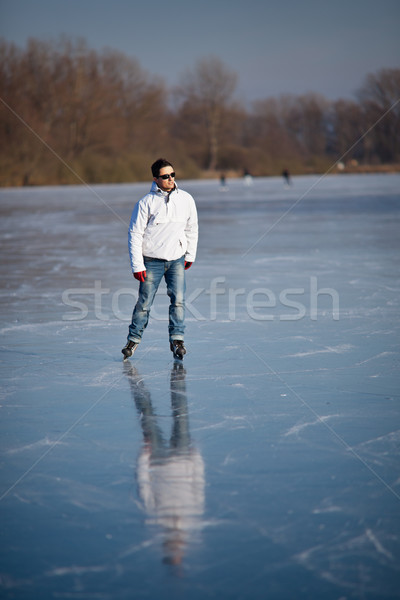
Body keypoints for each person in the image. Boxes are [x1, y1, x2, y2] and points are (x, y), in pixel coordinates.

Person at [122, 158, 198, 360]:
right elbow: (135, 234)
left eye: (173, 175)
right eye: (165, 176)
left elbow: (192, 228)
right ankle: (133, 340)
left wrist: (189, 254)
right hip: (151, 262)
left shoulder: (186, 199)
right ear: (156, 179)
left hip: (177, 260)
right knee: (144, 303)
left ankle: (177, 340)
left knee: (178, 301)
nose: (171, 179)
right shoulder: (145, 203)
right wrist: (137, 265)